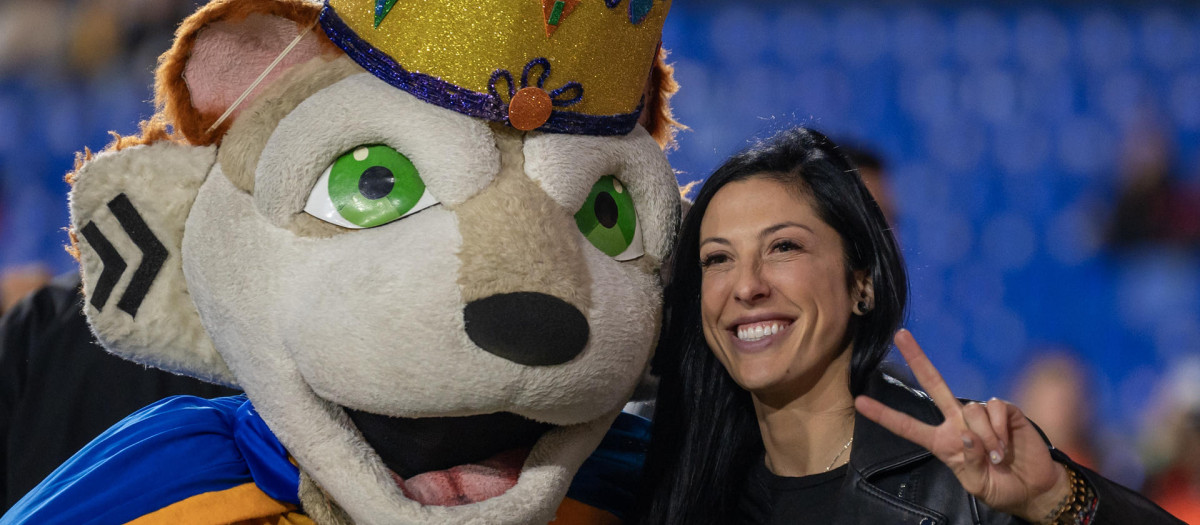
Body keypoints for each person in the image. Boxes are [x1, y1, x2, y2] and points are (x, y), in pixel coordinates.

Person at [634, 127, 1182, 524]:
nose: (746, 286)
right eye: (717, 259)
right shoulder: (674, 477)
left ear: (862, 281)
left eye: (783, 247)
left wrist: (1055, 499)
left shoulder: (971, 476)